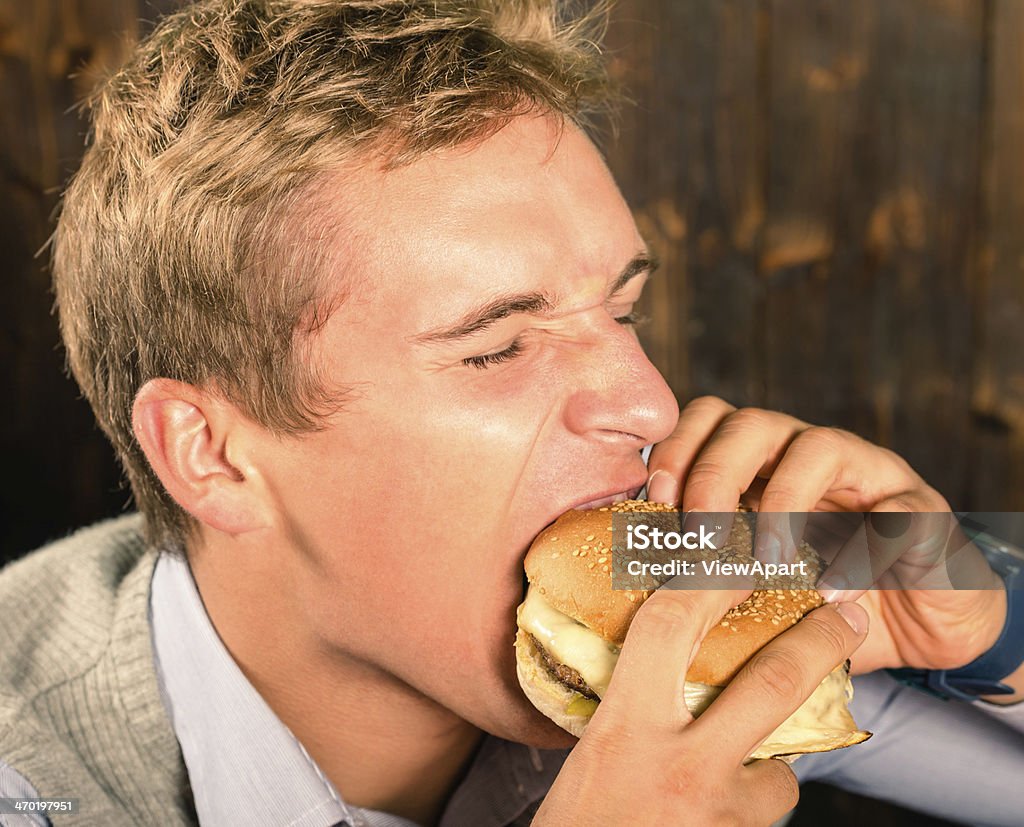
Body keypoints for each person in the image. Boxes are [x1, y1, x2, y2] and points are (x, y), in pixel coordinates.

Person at [0, 1, 1021, 825]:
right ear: (212, 454)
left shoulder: (686, 627)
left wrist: (986, 618)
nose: (649, 401)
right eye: (496, 343)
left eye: (624, 308)